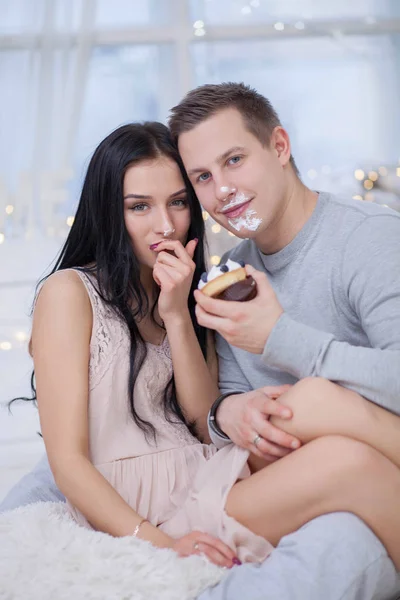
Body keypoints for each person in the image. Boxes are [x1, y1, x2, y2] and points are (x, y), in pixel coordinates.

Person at [2, 109, 400, 596]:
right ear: (109, 210)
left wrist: (175, 313)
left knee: (321, 411)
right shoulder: (69, 292)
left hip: (211, 477)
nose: (165, 225)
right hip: (152, 511)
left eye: (176, 203)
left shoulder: (193, 291)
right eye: (139, 206)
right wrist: (160, 545)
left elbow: (201, 416)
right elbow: (67, 462)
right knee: (350, 464)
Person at [168, 82, 400, 599]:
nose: (222, 189)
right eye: (203, 177)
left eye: (234, 160)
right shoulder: (228, 277)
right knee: (325, 428)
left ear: (279, 147)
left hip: (376, 458)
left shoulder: (371, 239)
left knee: (317, 403)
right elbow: (225, 413)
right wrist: (229, 412)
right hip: (285, 487)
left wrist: (280, 338)